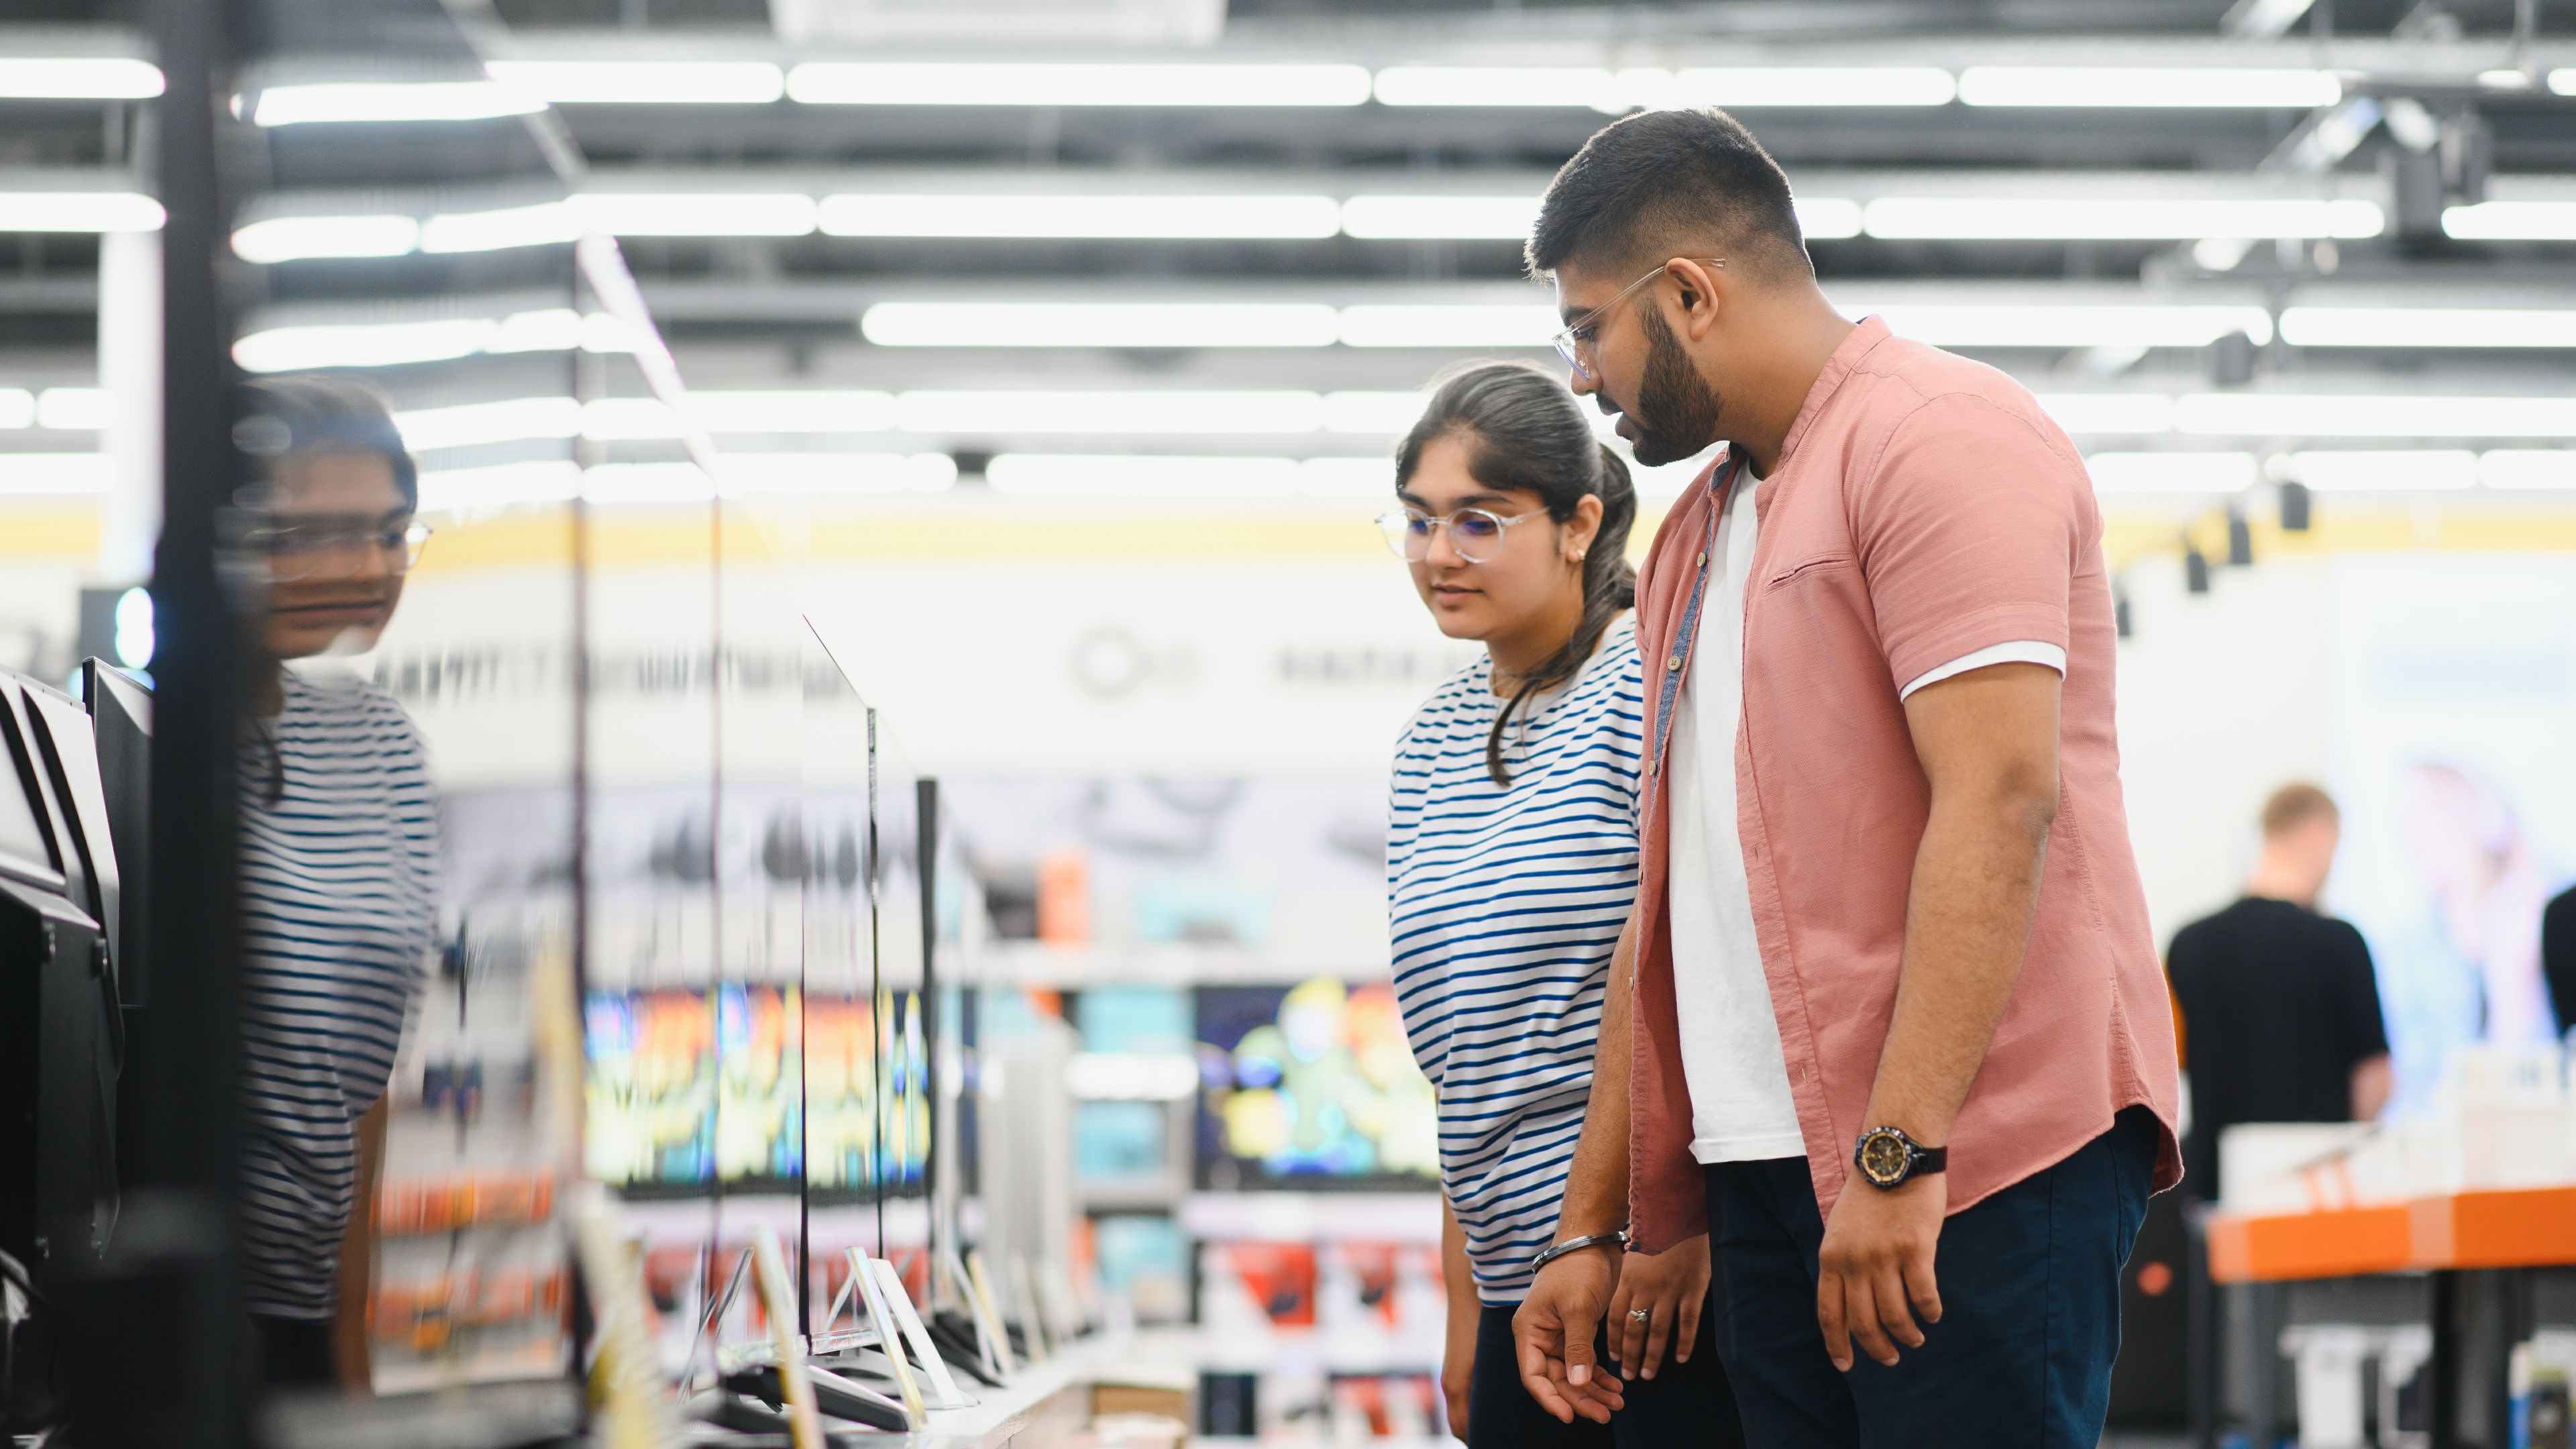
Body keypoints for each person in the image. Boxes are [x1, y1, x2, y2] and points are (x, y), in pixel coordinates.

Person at [1506, 108, 2180, 1449]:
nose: (1581, 377)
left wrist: (1901, 1154)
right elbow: (1677, 899)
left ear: (1689, 293)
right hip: (1767, 1175)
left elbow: (1999, 800)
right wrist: (1625, 1213)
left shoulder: (1941, 437)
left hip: (1964, 1165)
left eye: (1589, 328)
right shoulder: (1702, 529)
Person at [1383, 362, 1743, 1448]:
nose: (1439, 555)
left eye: (1479, 522)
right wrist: (1464, 1313)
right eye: (1417, 522)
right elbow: (1463, 1060)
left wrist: (1665, 1225)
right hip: (1513, 1286)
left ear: (1580, 522)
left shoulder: (1644, 675)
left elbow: (1707, 966)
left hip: (1648, 1271)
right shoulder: (1431, 739)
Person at [232, 375, 440, 1391]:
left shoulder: (385, 747)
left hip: (310, 1317)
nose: (368, 567)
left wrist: (350, 1350)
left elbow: (366, 1086)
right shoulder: (148, 746)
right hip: (184, 1315)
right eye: (318, 534)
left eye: (392, 532)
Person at [2165, 785, 2392, 1201]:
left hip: (2217, 1191)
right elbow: (2376, 1078)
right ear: (2318, 836)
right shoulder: (2341, 943)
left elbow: (2170, 1066)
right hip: (2316, 1191)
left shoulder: (2187, 945)